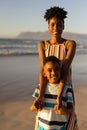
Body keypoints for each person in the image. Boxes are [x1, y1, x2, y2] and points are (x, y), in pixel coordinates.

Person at [35, 6, 76, 111]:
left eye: (59, 25)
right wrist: (41, 95)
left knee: (68, 119)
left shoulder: (69, 44)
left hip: (65, 89)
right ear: (48, 26)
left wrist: (60, 96)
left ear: (63, 26)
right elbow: (42, 71)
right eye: (52, 25)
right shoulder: (43, 45)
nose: (56, 28)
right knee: (46, 120)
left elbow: (65, 69)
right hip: (48, 90)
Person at [30, 56, 78, 130]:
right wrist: (34, 107)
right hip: (42, 127)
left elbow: (71, 109)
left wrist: (64, 111)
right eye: (49, 70)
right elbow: (32, 108)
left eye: (56, 69)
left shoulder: (67, 88)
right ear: (44, 73)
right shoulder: (41, 88)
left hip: (60, 127)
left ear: (61, 71)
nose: (53, 72)